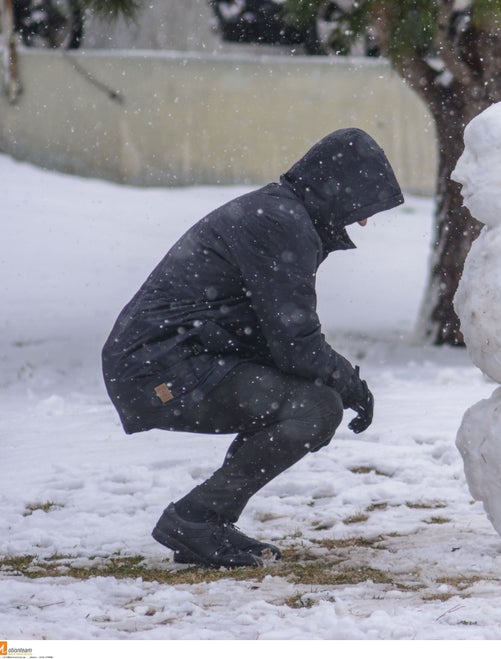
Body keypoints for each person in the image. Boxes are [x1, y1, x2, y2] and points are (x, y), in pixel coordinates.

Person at [101, 128, 404, 568]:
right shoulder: (280, 222)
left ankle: (208, 522)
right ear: (337, 186)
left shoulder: (283, 214)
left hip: (176, 361)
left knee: (305, 399)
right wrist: (352, 385)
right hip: (159, 370)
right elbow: (295, 343)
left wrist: (340, 378)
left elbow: (281, 339)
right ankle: (197, 519)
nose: (362, 221)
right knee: (315, 408)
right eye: (361, 204)